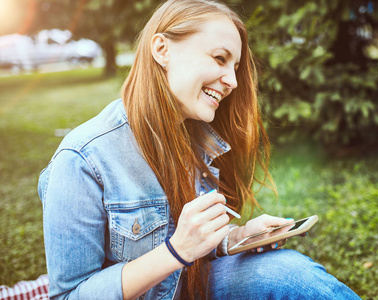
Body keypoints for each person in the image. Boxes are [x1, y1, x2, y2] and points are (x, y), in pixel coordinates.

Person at [37, 0, 361, 299]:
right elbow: (70, 296)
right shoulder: (82, 159)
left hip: (186, 287)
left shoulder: (192, 135)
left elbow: (185, 240)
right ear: (162, 49)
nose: (233, 81)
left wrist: (236, 238)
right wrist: (176, 251)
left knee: (289, 273)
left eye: (234, 66)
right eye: (220, 58)